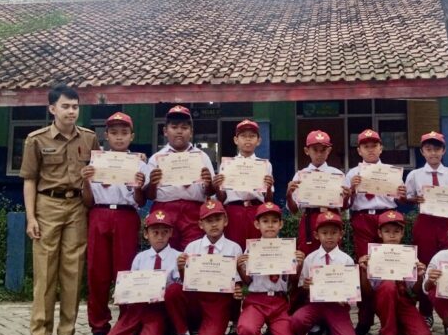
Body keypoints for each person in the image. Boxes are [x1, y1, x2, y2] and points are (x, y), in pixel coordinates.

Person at [20, 84, 101, 335]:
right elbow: (29, 180)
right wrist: (30, 217)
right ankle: (40, 333)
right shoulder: (37, 139)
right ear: (52, 109)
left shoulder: (89, 139)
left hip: (77, 206)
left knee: (72, 270)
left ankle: (67, 331)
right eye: (65, 106)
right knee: (44, 271)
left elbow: (97, 175)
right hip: (47, 205)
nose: (71, 111)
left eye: (75, 106)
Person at [80, 111, 148, 335]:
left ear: (132, 136)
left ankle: (126, 325)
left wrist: (140, 186)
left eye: (124, 133)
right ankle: (98, 327)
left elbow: (140, 201)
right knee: (97, 273)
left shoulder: (139, 163)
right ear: (106, 135)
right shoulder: (96, 161)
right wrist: (86, 181)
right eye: (114, 133)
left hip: (125, 216)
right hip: (99, 214)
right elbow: (88, 201)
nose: (119, 138)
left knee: (125, 272)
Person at [347, 129, 406, 335]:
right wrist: (351, 191)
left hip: (387, 218)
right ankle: (364, 320)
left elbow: (401, 200)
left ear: (381, 148)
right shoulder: (352, 174)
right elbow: (345, 204)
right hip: (362, 219)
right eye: (366, 146)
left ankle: (393, 319)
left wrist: (403, 195)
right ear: (359, 150)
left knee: (391, 266)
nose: (370, 150)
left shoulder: (392, 172)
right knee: (365, 269)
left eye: (374, 146)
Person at [164, 199, 243, 335]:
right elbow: (186, 282)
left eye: (218, 219)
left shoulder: (234, 248)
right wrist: (181, 268)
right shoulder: (192, 247)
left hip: (218, 301)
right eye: (209, 220)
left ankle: (215, 333)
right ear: (200, 224)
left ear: (225, 221)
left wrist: (238, 289)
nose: (214, 224)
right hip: (197, 298)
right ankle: (184, 334)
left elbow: (237, 282)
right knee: (173, 290)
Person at [100, 210, 181, 335]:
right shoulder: (140, 258)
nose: (160, 236)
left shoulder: (177, 256)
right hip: (137, 308)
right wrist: (122, 292)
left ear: (171, 233)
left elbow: (178, 287)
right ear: (146, 234)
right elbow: (132, 283)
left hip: (158, 309)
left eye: (164, 232)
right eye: (155, 232)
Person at [404, 130, 448, 328]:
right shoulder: (415, 175)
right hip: (425, 222)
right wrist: (413, 199)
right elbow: (407, 198)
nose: (433, 153)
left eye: (437, 149)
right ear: (422, 152)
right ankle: (425, 311)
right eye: (428, 149)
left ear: (443, 150)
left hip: (446, 223)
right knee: (425, 266)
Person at [358, 211, 432, 335]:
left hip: (404, 301)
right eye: (387, 231)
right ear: (379, 233)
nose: (392, 235)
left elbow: (415, 292)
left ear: (402, 233)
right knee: (388, 285)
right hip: (382, 301)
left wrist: (420, 275)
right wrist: (363, 271)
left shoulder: (409, 255)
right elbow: (367, 292)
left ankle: (396, 328)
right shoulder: (373, 255)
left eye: (396, 231)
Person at [236, 202, 303, 335]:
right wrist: (240, 267)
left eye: (274, 221)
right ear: (257, 224)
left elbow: (292, 281)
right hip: (256, 300)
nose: (270, 226)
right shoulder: (252, 248)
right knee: (246, 330)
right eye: (265, 221)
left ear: (281, 224)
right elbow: (248, 281)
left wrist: (298, 265)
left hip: (279, 302)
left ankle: (274, 333)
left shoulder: (287, 248)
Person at [290, 211, 359, 335]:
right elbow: (302, 285)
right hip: (315, 305)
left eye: (334, 232)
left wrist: (346, 297)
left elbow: (352, 290)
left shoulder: (346, 260)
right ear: (316, 235)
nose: (329, 236)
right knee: (295, 322)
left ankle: (330, 328)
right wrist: (306, 286)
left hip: (336, 307)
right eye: (324, 232)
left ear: (340, 234)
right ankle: (316, 328)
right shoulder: (310, 258)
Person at [145, 105, 214, 251]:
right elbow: (150, 196)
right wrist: (152, 183)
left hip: (194, 212)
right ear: (165, 131)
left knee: (192, 255)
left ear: (191, 132)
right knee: (165, 254)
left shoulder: (201, 157)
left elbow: (210, 192)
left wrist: (209, 183)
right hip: (164, 210)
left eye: (184, 127)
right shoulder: (157, 158)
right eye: (174, 127)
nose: (179, 131)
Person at [214, 119, 274, 251]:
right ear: (236, 140)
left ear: (258, 141)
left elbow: (268, 200)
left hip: (257, 211)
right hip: (233, 211)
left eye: (252, 136)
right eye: (243, 136)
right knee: (233, 249)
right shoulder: (227, 164)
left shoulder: (264, 165)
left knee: (256, 250)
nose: (248, 140)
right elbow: (222, 198)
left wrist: (269, 187)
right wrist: (217, 187)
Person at [286, 130, 349, 257]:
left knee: (332, 257)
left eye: (323, 150)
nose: (319, 154)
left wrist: (347, 197)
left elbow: (344, 207)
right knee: (307, 256)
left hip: (332, 218)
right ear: (306, 150)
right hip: (310, 219)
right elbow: (294, 210)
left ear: (329, 151)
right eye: (315, 149)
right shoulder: (300, 175)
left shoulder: (338, 174)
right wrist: (288, 195)